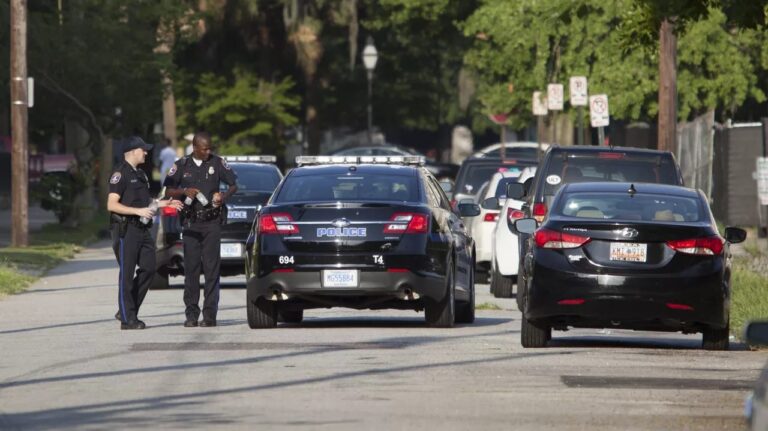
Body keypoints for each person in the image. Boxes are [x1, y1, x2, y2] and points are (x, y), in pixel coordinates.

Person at [163, 132, 238, 327]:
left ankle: (210, 315)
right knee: (192, 270)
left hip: (212, 223)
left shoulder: (217, 163)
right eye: (205, 149)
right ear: (195, 148)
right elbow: (168, 190)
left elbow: (233, 185)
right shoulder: (182, 165)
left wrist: (223, 196)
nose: (209, 151)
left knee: (212, 270)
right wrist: (183, 191)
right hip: (190, 224)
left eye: (210, 148)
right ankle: (191, 314)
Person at [107, 136, 182, 330]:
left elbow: (144, 201)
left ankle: (126, 308)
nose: (147, 153)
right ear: (133, 151)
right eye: (144, 150)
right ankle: (127, 319)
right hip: (126, 229)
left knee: (149, 268)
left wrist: (162, 203)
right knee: (127, 274)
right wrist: (137, 212)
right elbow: (111, 204)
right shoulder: (119, 173)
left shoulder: (140, 174)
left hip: (142, 229)